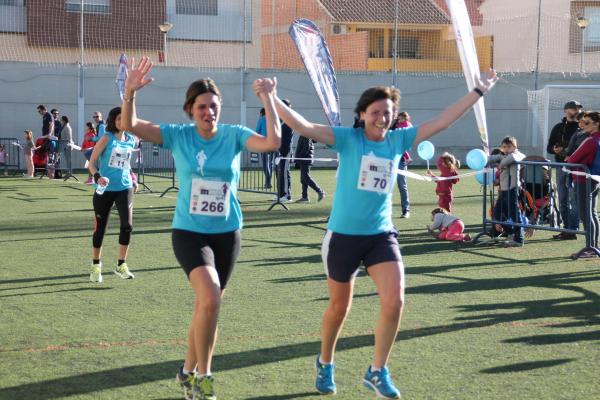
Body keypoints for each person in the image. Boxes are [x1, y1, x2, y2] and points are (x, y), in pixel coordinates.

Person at [263, 69, 497, 398]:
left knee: (395, 301)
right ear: (362, 115)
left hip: (381, 236)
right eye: (375, 112)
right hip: (342, 238)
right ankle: (325, 361)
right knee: (339, 308)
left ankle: (377, 371)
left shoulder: (399, 139)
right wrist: (272, 97)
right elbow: (303, 126)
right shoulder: (348, 138)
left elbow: (444, 120)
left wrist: (478, 91)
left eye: (387, 112)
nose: (381, 117)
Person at [121, 56, 281, 400]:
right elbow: (130, 124)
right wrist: (130, 91)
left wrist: (268, 100)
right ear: (190, 110)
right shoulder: (178, 136)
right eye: (202, 107)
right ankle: (204, 377)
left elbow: (272, 143)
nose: (209, 112)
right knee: (208, 297)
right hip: (190, 232)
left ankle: (186, 370)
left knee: (208, 306)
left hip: (228, 233)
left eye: (214, 106)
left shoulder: (234, 135)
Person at [87, 107, 137, 283]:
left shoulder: (131, 139)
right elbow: (91, 163)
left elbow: (126, 163)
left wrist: (133, 178)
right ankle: (95, 266)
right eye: (118, 119)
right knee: (100, 228)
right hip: (105, 190)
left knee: (127, 226)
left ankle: (121, 265)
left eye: (124, 119)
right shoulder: (107, 138)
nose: (121, 122)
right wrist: (98, 177)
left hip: (125, 188)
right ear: (112, 121)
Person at [565, 111, 600, 259]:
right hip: (594, 178)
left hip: (583, 178)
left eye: (587, 123)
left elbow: (572, 159)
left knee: (586, 213)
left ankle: (591, 248)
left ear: (597, 124)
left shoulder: (591, 140)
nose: (582, 125)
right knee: (591, 212)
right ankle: (594, 246)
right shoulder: (595, 139)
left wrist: (568, 160)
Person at [547, 101, 581, 233]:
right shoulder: (557, 127)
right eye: (574, 109)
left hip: (576, 167)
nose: (576, 111)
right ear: (566, 111)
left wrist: (567, 149)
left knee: (573, 199)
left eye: (578, 109)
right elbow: (549, 147)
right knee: (562, 199)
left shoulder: (581, 127)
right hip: (561, 166)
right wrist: (555, 150)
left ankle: (573, 229)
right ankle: (566, 229)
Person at [487, 136, 526, 247]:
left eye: (509, 146)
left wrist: (500, 163)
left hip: (513, 189)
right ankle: (510, 232)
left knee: (515, 214)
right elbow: (491, 158)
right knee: (497, 213)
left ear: (515, 147)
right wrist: (488, 160)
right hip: (503, 189)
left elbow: (513, 158)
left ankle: (519, 239)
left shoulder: (516, 155)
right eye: (504, 147)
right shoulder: (502, 155)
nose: (506, 149)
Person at [294, 134, 325, 202]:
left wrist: (300, 157)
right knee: (303, 179)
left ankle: (320, 191)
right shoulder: (304, 134)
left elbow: (306, 148)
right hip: (304, 159)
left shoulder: (305, 135)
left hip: (305, 159)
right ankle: (305, 197)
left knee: (306, 178)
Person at [394, 112, 412, 218]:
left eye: (401, 119)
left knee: (402, 185)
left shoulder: (406, 126)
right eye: (398, 119)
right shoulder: (394, 124)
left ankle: (406, 210)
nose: (399, 120)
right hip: (390, 158)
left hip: (401, 160)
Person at [276, 99, 294, 202]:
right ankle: (280, 194)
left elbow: (287, 139)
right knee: (279, 172)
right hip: (279, 151)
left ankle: (287, 195)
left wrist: (283, 150)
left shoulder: (289, 120)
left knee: (284, 172)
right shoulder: (281, 119)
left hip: (285, 151)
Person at [256, 107, 275, 189]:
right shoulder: (273, 119)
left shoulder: (261, 119)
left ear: (261, 113)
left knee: (265, 164)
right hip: (273, 144)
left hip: (264, 144)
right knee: (270, 163)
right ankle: (268, 181)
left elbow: (257, 131)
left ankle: (268, 182)